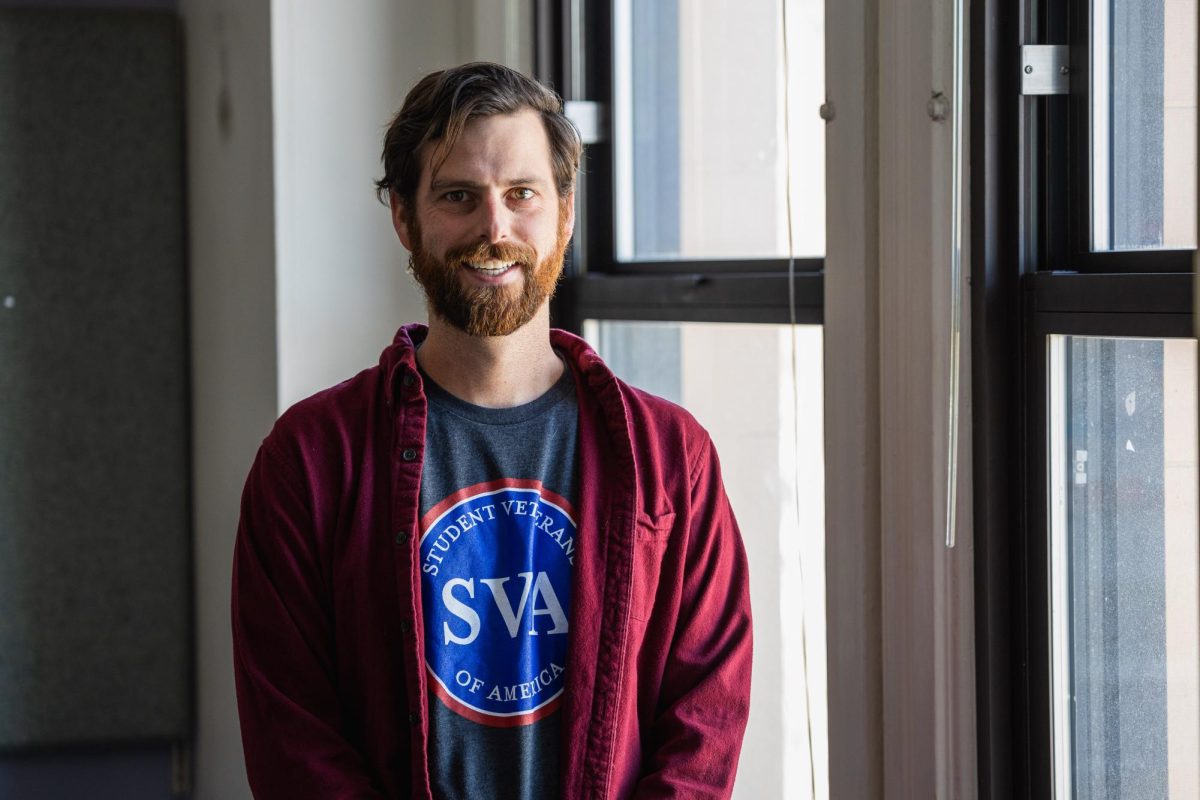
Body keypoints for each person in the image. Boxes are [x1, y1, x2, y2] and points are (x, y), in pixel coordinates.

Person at [232, 61, 752, 800]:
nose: (494, 227)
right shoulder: (309, 462)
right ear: (405, 219)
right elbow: (294, 741)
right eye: (457, 196)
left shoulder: (672, 457)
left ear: (564, 215)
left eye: (522, 195)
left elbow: (705, 720)